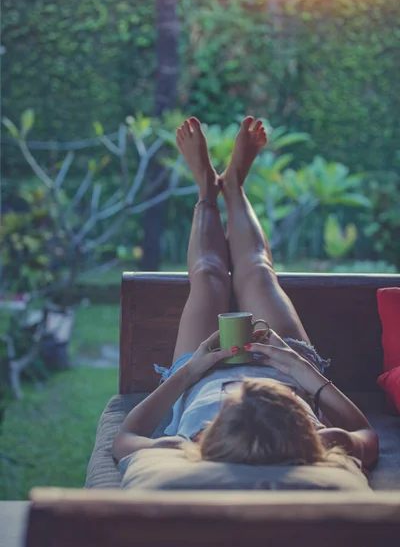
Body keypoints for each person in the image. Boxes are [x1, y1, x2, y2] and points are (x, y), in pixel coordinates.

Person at [112, 116, 379, 474]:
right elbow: (366, 434)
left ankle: (207, 190)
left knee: (208, 277)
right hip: (285, 363)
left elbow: (125, 436)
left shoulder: (187, 447)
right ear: (306, 430)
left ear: (209, 432)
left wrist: (192, 370)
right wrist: (296, 366)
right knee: (257, 271)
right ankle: (234, 186)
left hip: (202, 371)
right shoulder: (322, 443)